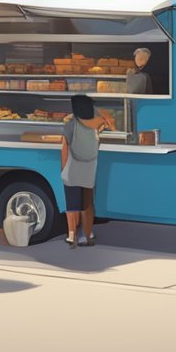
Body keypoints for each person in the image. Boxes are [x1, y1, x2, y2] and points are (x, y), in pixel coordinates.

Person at [62, 94, 106, 248]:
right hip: (89, 167)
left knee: (73, 202)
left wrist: (63, 166)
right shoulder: (96, 126)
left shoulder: (70, 124)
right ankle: (87, 235)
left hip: (73, 167)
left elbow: (65, 146)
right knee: (87, 203)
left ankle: (72, 234)